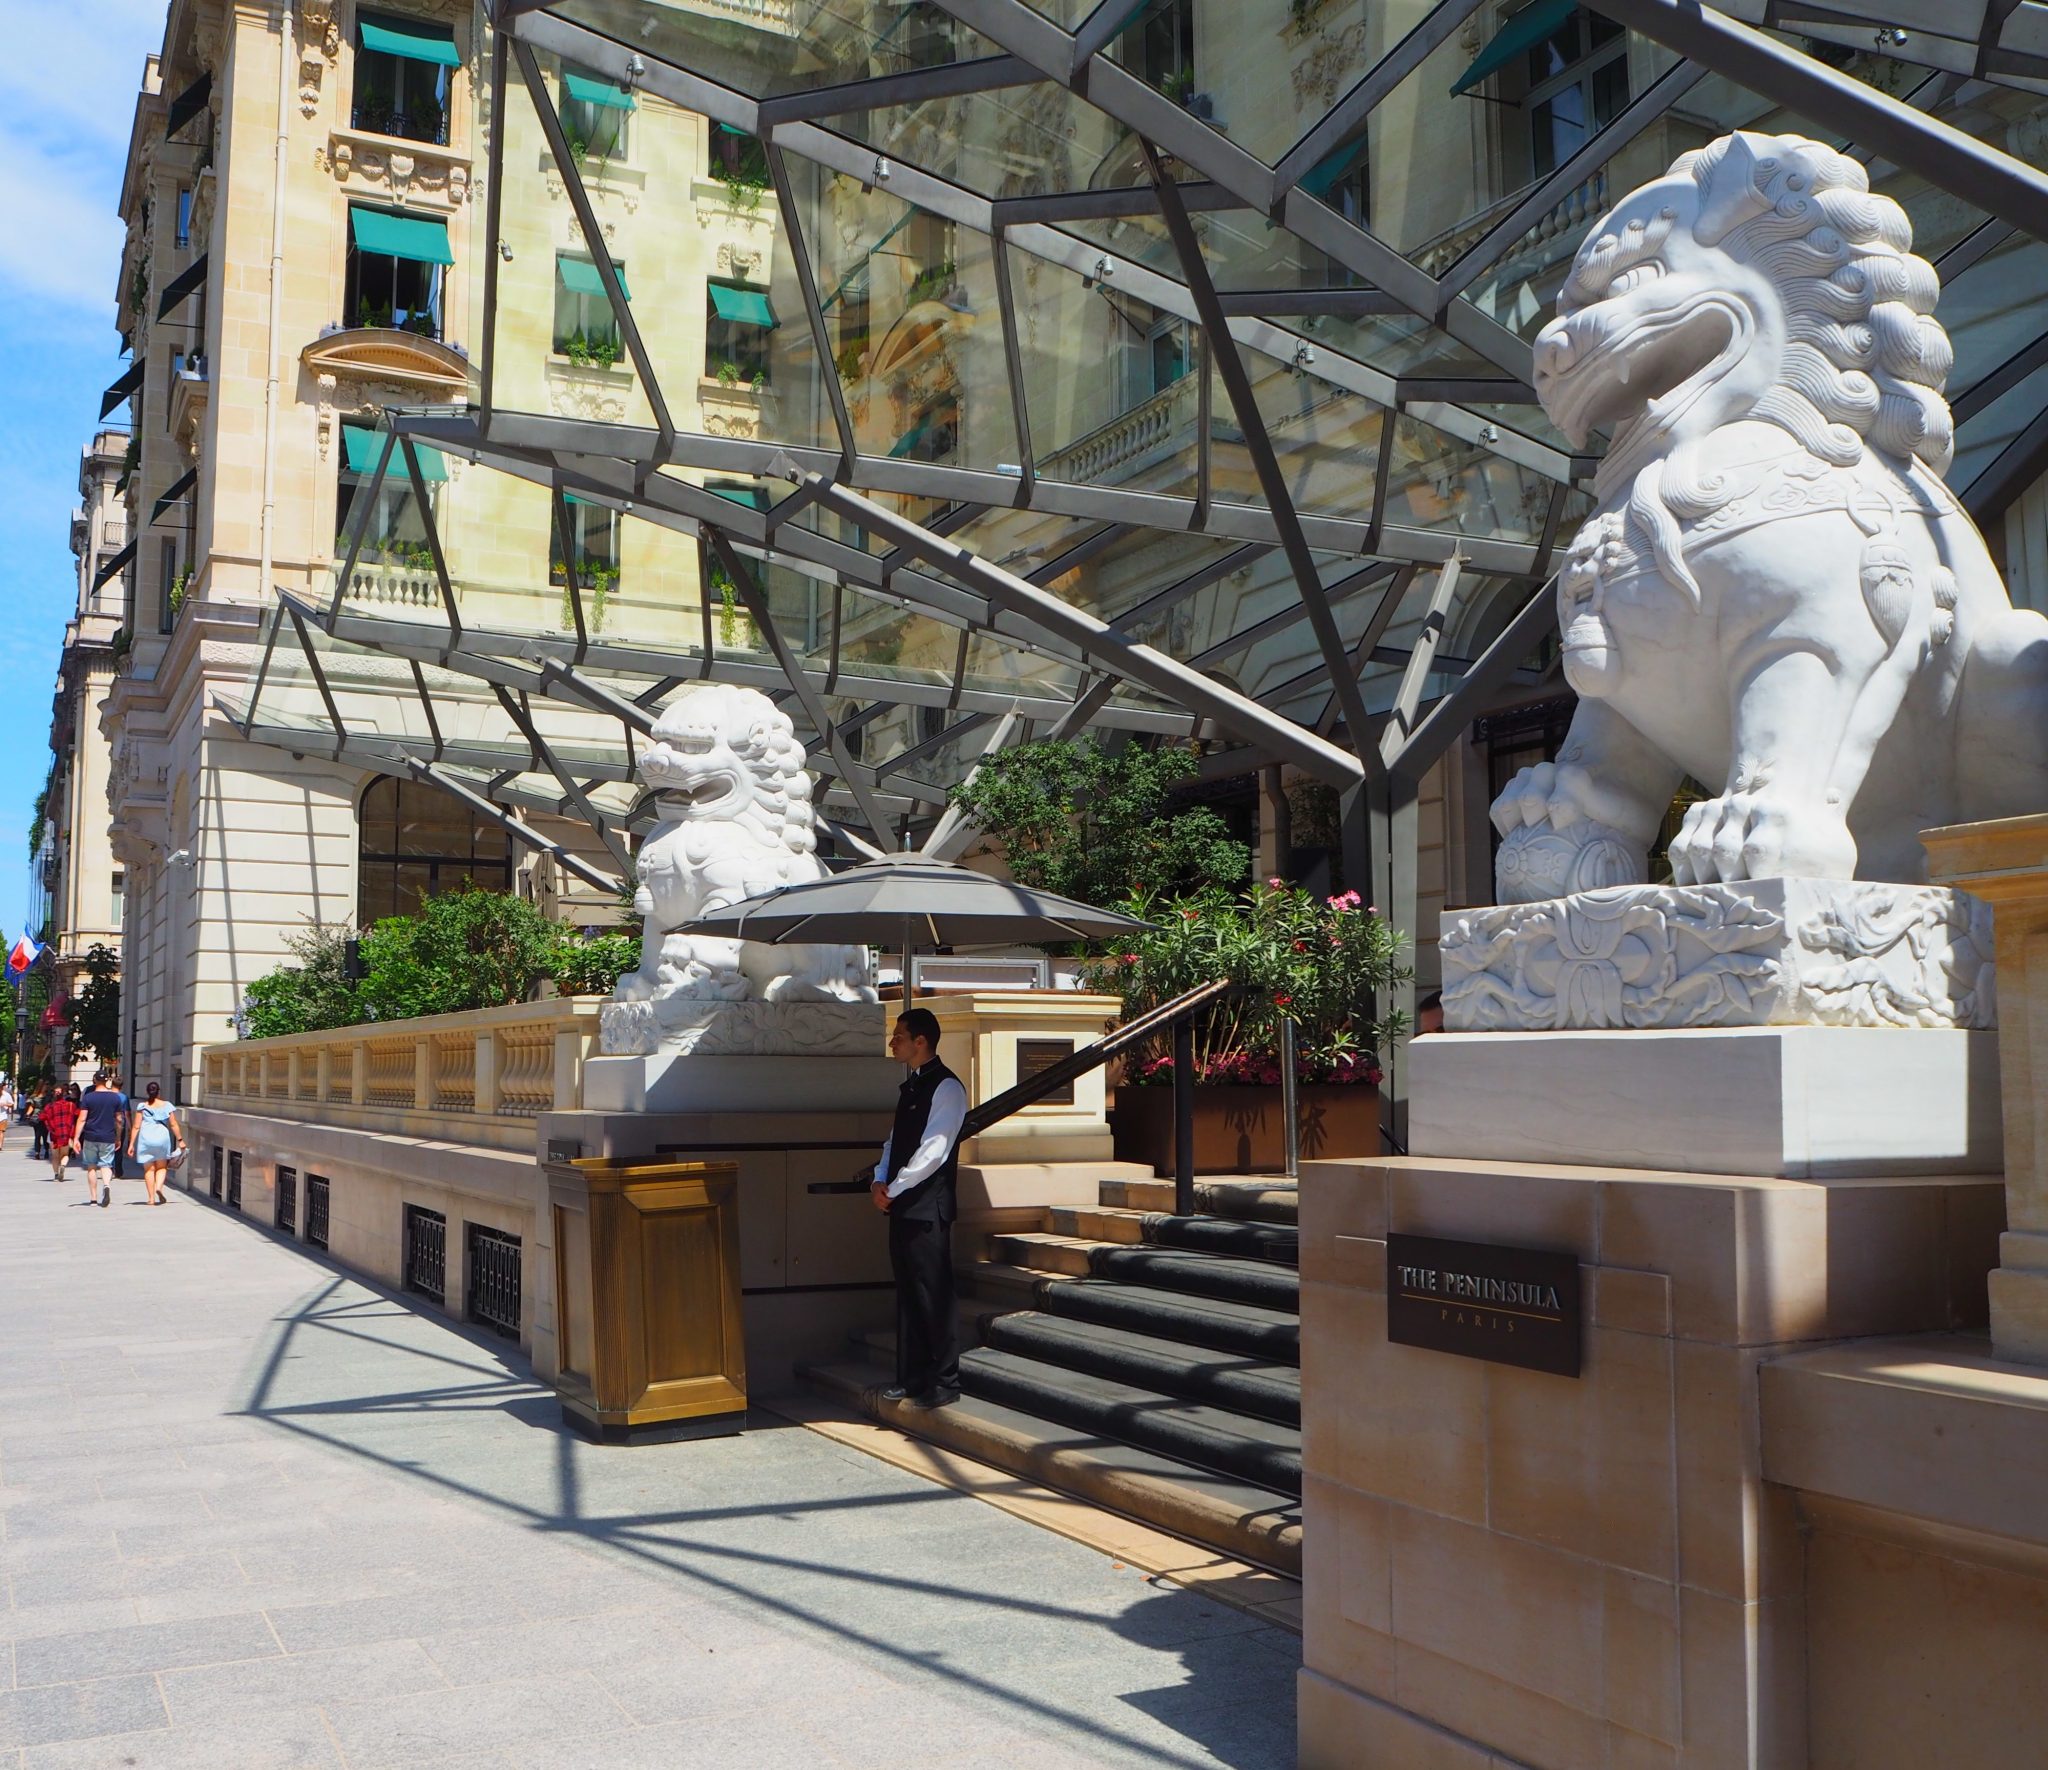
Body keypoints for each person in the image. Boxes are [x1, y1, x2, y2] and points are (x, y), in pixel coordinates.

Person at [870, 1007, 968, 1410]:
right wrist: (879, 1179)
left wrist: (894, 1188)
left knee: (933, 1293)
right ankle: (910, 1378)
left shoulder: (947, 1088)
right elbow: (894, 1142)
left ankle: (944, 1381)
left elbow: (934, 1151)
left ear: (920, 1041)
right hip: (902, 1204)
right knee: (909, 1293)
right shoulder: (911, 1086)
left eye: (899, 1036)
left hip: (927, 1208)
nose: (892, 1042)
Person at [76, 1071, 129, 1209]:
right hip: (108, 1136)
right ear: (107, 1081)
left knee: (91, 1166)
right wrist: (118, 1137)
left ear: (94, 1080)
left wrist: (76, 1138)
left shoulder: (88, 1097)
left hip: (91, 1135)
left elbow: (82, 1119)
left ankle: (93, 1199)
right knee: (106, 1165)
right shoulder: (115, 1098)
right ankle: (106, 1185)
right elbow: (119, 1120)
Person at [127, 1082, 184, 1208]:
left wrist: (131, 1144)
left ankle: (151, 1199)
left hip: (146, 1138)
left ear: (147, 1092)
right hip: (162, 1138)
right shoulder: (167, 1105)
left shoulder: (142, 1106)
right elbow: (173, 1124)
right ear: (158, 1092)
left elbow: (136, 1126)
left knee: (149, 1169)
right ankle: (158, 1187)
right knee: (162, 1167)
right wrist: (180, 1140)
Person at [39, 1084, 79, 1186]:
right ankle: (63, 1166)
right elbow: (77, 1113)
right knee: (65, 1154)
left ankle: (56, 1175)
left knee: (55, 1156)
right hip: (66, 1133)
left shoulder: (49, 1107)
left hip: (54, 1134)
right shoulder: (70, 1105)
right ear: (63, 1093)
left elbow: (42, 1117)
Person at [26, 1081, 49, 1160]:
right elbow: (32, 1106)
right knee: (37, 1135)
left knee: (45, 1135)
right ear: (41, 1086)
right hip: (36, 1117)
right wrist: (28, 1114)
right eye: (45, 1085)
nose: (47, 1086)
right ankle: (37, 1152)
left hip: (46, 1117)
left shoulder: (48, 1096)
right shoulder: (34, 1097)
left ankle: (46, 1150)